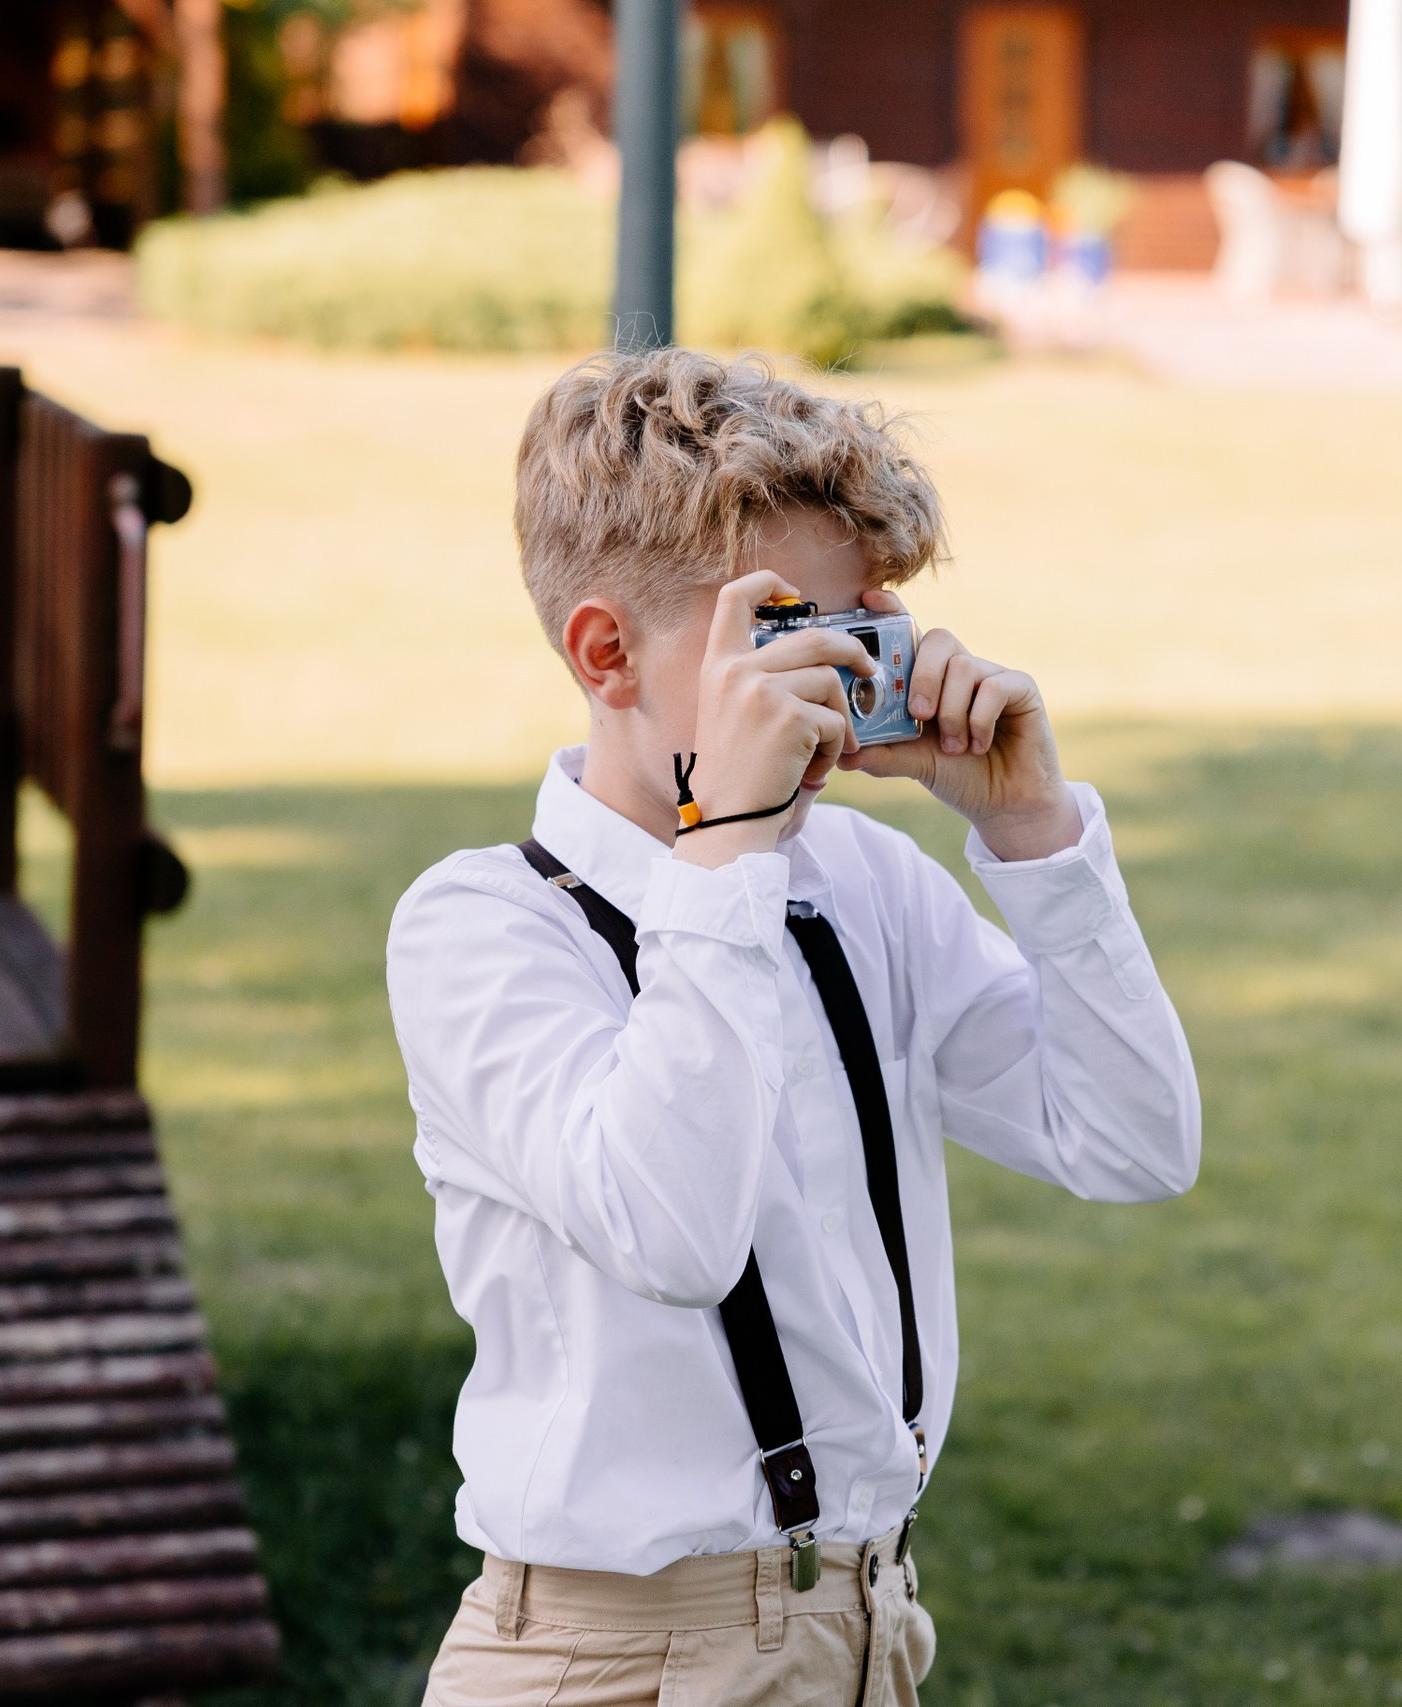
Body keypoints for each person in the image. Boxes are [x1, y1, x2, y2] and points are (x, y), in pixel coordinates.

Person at [389, 348, 1202, 1706]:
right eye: (785, 639)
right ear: (607, 653)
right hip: (611, 1659)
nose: (832, 694)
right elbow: (673, 1230)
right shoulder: (482, 929)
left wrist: (1031, 835)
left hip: (865, 1628)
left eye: (859, 632)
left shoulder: (865, 886)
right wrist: (729, 851)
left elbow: (1133, 1142)